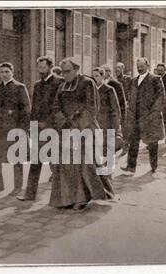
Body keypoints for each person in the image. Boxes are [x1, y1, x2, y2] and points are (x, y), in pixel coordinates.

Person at [49, 57, 114, 210]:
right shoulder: (62, 85)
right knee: (65, 164)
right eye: (63, 72)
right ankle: (66, 199)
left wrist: (77, 125)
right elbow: (56, 106)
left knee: (84, 164)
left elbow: (92, 107)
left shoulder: (87, 83)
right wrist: (63, 121)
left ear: (76, 69)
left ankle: (82, 198)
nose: (65, 75)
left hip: (85, 128)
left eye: (68, 71)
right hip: (66, 128)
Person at [17, 56, 64, 201]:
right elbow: (34, 107)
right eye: (39, 67)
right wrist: (32, 126)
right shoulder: (37, 84)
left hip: (54, 129)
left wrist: (49, 124)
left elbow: (59, 106)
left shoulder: (59, 82)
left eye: (43, 67)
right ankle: (30, 194)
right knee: (35, 162)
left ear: (50, 67)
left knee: (55, 162)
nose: (40, 70)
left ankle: (60, 195)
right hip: (38, 128)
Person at [0, 62, 31, 195]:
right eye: (2, 72)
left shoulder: (20, 87)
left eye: (6, 72)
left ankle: (18, 186)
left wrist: (23, 129)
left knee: (17, 159)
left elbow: (26, 110)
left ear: (12, 72)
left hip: (15, 129)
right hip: (1, 131)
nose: (4, 75)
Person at [121, 57, 165, 174]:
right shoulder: (133, 81)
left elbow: (161, 98)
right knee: (133, 141)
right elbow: (130, 98)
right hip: (135, 117)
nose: (139, 68)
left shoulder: (155, 79)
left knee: (152, 143)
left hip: (149, 118)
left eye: (142, 66)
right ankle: (131, 166)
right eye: (138, 66)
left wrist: (153, 114)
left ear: (147, 66)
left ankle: (153, 165)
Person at [92, 67, 121, 178]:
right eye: (93, 76)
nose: (94, 79)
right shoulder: (91, 91)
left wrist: (115, 127)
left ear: (103, 76)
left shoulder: (109, 90)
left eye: (97, 76)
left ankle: (108, 176)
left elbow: (115, 110)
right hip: (94, 126)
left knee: (108, 152)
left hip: (107, 126)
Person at [102, 64, 128, 133]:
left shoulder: (116, 84)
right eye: (105, 71)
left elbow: (122, 103)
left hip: (112, 118)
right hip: (101, 120)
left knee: (111, 140)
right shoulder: (97, 83)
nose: (107, 73)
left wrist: (121, 120)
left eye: (109, 71)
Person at [154, 63, 166, 149]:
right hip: (156, 106)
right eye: (158, 71)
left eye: (161, 71)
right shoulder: (153, 81)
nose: (160, 72)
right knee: (155, 124)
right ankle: (154, 142)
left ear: (165, 71)